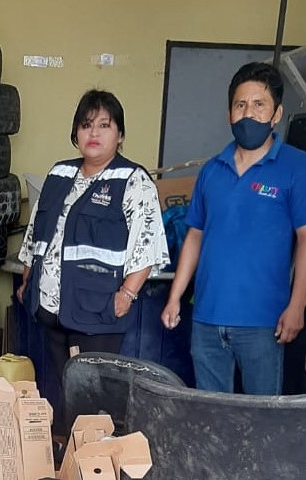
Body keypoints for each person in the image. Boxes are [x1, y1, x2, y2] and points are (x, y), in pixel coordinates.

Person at [18, 89, 169, 427]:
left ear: (120, 134)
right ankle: (64, 454)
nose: (94, 133)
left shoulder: (133, 180)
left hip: (97, 312)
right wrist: (28, 278)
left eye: (104, 125)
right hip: (51, 308)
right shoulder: (59, 174)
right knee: (60, 392)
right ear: (76, 133)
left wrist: (126, 295)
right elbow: (36, 232)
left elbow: (146, 244)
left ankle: (93, 456)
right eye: (86, 125)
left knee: (92, 401)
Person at [161, 62, 306, 395]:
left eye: (259, 105)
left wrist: (297, 305)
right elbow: (195, 235)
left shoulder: (296, 167)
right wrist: (175, 297)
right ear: (229, 113)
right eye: (240, 105)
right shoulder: (212, 170)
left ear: (276, 114)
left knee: (261, 416)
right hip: (207, 318)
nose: (248, 114)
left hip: (264, 322)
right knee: (212, 414)